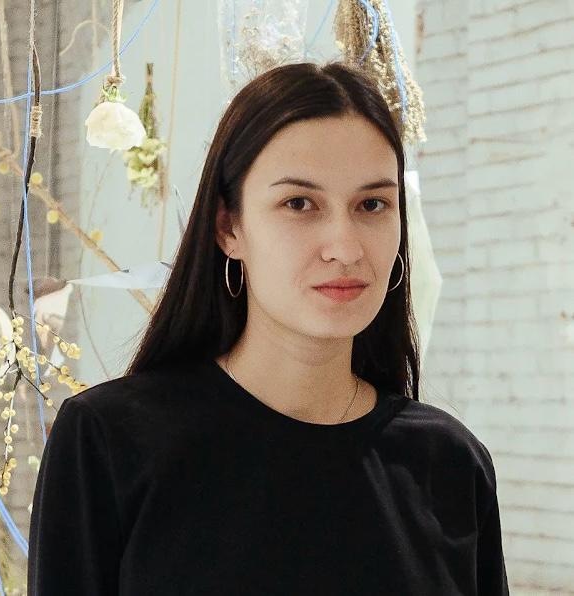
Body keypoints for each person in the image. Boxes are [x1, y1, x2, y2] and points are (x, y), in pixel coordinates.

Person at [27, 61, 509, 595]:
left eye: (372, 204)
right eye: (299, 203)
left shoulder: (449, 462)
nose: (345, 247)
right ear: (228, 226)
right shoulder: (109, 441)